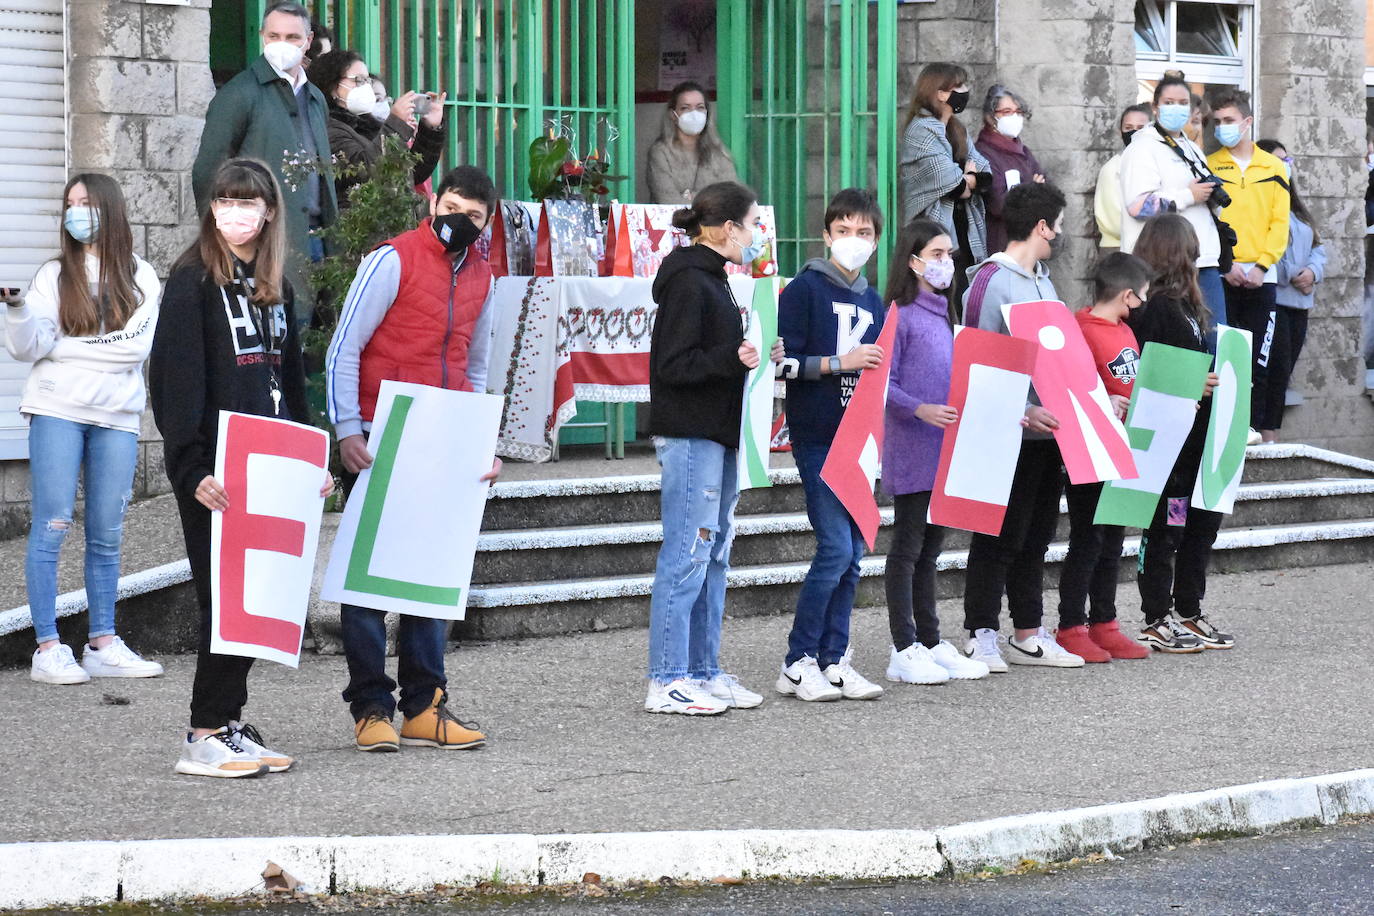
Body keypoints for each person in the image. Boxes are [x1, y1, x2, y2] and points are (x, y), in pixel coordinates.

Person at [150, 158, 333, 777]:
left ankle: (228, 720)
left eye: (247, 200)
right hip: (215, 474)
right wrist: (189, 466)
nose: (234, 211)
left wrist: (314, 457)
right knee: (223, 601)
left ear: (270, 211)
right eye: (224, 200)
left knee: (259, 600)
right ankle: (203, 731)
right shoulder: (191, 281)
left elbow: (291, 384)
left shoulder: (270, 284)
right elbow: (173, 383)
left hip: (271, 466)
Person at [325, 165, 503, 752]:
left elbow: (475, 367)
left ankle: (425, 704)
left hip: (445, 439)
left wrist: (480, 443)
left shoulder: (486, 276)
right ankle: (371, 708)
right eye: (452, 206)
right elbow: (344, 346)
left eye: (473, 216)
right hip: (381, 433)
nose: (459, 220)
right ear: (435, 203)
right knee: (370, 577)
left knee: (432, 575)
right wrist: (348, 429)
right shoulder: (392, 259)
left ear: (487, 223)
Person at [4, 174, 163, 685]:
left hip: (116, 414)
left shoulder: (142, 275)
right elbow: (28, 348)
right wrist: (18, 311)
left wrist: (63, 347)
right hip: (56, 409)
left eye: (86, 203)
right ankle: (48, 646)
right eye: (69, 204)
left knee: (107, 533)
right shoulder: (53, 275)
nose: (76, 213)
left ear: (110, 210)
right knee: (51, 526)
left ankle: (103, 641)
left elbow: (133, 350)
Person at [644, 180, 781, 715]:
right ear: (728, 228)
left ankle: (703, 669)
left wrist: (748, 353)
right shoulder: (688, 282)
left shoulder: (714, 278)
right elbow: (673, 367)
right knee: (686, 553)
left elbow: (715, 353)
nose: (752, 236)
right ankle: (667, 677)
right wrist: (734, 357)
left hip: (718, 433)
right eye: (750, 225)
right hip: (691, 433)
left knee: (713, 554)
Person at [960, 182, 1083, 671]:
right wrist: (1020, 408)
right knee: (997, 534)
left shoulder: (1044, 281)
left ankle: (1028, 631)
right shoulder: (991, 280)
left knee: (1036, 535)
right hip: (1005, 429)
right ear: (1041, 226)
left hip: (1046, 433)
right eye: (1059, 223)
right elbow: (973, 358)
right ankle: (981, 631)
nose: (1061, 233)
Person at [774, 189, 887, 703]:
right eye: (844, 231)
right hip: (818, 433)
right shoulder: (803, 291)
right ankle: (797, 661)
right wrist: (841, 362)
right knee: (835, 546)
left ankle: (834, 658)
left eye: (864, 233)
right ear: (826, 234)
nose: (854, 241)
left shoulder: (871, 298)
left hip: (858, 440)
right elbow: (783, 365)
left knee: (855, 553)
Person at [880, 218, 990, 685]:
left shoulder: (945, 313)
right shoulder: (899, 315)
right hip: (911, 448)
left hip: (945, 449)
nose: (947, 262)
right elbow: (883, 383)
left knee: (932, 549)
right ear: (914, 261)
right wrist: (919, 409)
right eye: (938, 254)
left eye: (950, 254)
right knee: (907, 548)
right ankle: (903, 646)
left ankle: (929, 639)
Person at [1128, 213, 1233, 652]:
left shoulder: (1189, 307)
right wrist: (1192, 382)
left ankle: (1189, 607)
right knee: (1166, 527)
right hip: (1170, 448)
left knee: (1200, 523)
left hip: (1197, 443)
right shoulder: (1153, 308)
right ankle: (1156, 615)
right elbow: (1146, 374)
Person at [191, 1, 338, 300]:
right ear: (262, 36)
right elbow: (208, 172)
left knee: (314, 338)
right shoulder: (239, 93)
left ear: (308, 41)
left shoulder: (315, 98)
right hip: (264, 244)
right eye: (274, 36)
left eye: (292, 38)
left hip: (319, 241)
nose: (282, 44)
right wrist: (225, 243)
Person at [1053, 252, 1154, 664]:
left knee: (1113, 537)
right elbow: (1072, 385)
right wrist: (1102, 400)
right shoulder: (1080, 330)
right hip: (1089, 450)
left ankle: (1105, 623)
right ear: (1128, 295)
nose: (1144, 303)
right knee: (1088, 538)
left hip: (1123, 449)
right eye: (1143, 296)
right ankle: (1070, 625)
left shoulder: (1124, 331)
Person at [1207, 89, 1291, 439]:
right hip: (1222, 274)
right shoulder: (1210, 164)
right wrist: (1226, 266)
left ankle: (1250, 429)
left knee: (1259, 358)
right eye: (1218, 122)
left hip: (1261, 276)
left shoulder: (1274, 167)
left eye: (1229, 121)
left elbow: (1279, 222)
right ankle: (1221, 430)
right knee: (1222, 355)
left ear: (1247, 122)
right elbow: (1209, 221)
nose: (1223, 128)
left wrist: (1262, 266)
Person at [1119, 74, 1228, 335]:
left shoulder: (1192, 148)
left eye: (1182, 102)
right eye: (1169, 102)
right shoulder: (1142, 148)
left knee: (1215, 340)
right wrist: (1188, 196)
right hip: (1165, 265)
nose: (1176, 108)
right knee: (1180, 344)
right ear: (1155, 107)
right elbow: (1138, 206)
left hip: (1203, 260)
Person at [900, 63, 991, 306]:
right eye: (959, 86)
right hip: (934, 234)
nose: (965, 90)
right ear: (940, 93)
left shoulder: (956, 129)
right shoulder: (921, 131)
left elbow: (985, 171)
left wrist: (968, 179)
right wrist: (965, 178)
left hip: (964, 234)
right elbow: (951, 184)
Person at [307, 50, 446, 208]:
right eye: (358, 81)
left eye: (367, 81)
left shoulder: (369, 124)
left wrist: (430, 128)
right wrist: (396, 123)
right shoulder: (328, 128)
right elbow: (366, 171)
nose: (366, 87)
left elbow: (411, 173)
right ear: (331, 86)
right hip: (356, 227)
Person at [1257, 139, 1324, 444]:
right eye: (1277, 160)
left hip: (1300, 302)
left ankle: (1271, 432)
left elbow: (1318, 245)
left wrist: (1313, 271)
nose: (1284, 165)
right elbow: (1265, 245)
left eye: (1287, 160)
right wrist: (1291, 272)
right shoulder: (1262, 200)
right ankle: (1265, 432)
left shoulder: (1294, 204)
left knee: (1285, 372)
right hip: (1276, 297)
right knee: (1272, 368)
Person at [974, 84, 1047, 255]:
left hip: (1028, 241)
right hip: (1000, 244)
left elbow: (1047, 192)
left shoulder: (1024, 151)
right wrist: (1032, 189)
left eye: (1018, 112)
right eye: (1007, 112)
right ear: (991, 117)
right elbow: (999, 204)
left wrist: (1026, 192)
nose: (1014, 116)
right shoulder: (983, 153)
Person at [645, 81, 740, 205]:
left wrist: (692, 197)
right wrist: (710, 198)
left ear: (707, 112)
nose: (694, 114)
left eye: (700, 107)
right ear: (673, 115)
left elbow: (733, 197)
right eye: (685, 108)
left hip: (713, 223)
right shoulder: (661, 153)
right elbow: (667, 200)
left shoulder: (718, 152)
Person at [1094, 104, 1152, 250]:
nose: (1134, 132)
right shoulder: (1112, 169)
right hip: (1118, 248)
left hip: (1149, 248)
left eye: (1141, 128)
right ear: (1120, 131)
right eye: (1128, 127)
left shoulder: (1154, 165)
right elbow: (1113, 222)